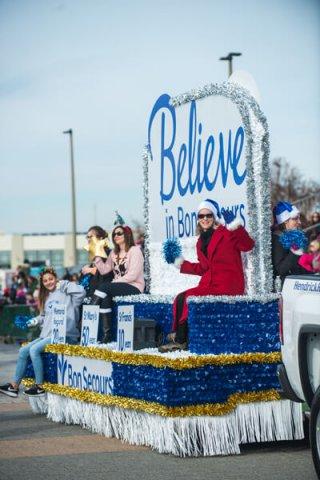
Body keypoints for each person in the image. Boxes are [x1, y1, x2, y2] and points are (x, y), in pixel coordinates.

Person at [159, 199, 255, 353]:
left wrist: (236, 226)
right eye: (201, 216)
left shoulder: (227, 232)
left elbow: (248, 245)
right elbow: (203, 268)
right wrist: (179, 263)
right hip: (209, 284)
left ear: (214, 216)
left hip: (227, 285)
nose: (204, 219)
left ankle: (181, 341)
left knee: (188, 297)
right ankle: (178, 335)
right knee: (180, 297)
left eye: (208, 215)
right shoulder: (200, 242)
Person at [0, 267, 86, 398]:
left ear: (56, 278)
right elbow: (44, 316)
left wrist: (65, 284)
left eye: (51, 279)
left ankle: (40, 387)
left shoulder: (67, 292)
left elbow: (81, 292)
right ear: (42, 283)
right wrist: (33, 321)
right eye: (45, 281)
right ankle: (14, 386)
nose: (49, 282)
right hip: (47, 335)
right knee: (23, 351)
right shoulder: (47, 297)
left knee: (34, 350)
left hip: (65, 335)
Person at [90, 225, 144, 343]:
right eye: (114, 234)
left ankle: (89, 313)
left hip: (135, 286)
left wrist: (114, 282)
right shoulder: (114, 253)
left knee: (104, 287)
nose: (116, 236)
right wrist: (97, 256)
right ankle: (106, 335)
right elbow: (104, 270)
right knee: (105, 298)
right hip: (119, 286)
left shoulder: (135, 251)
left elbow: (133, 275)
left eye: (119, 233)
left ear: (127, 234)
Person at [272, 201, 310, 286]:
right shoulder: (277, 239)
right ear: (285, 221)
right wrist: (295, 253)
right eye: (295, 218)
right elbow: (280, 270)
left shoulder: (287, 237)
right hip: (282, 290)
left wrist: (313, 274)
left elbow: (294, 266)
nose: (299, 222)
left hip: (290, 285)